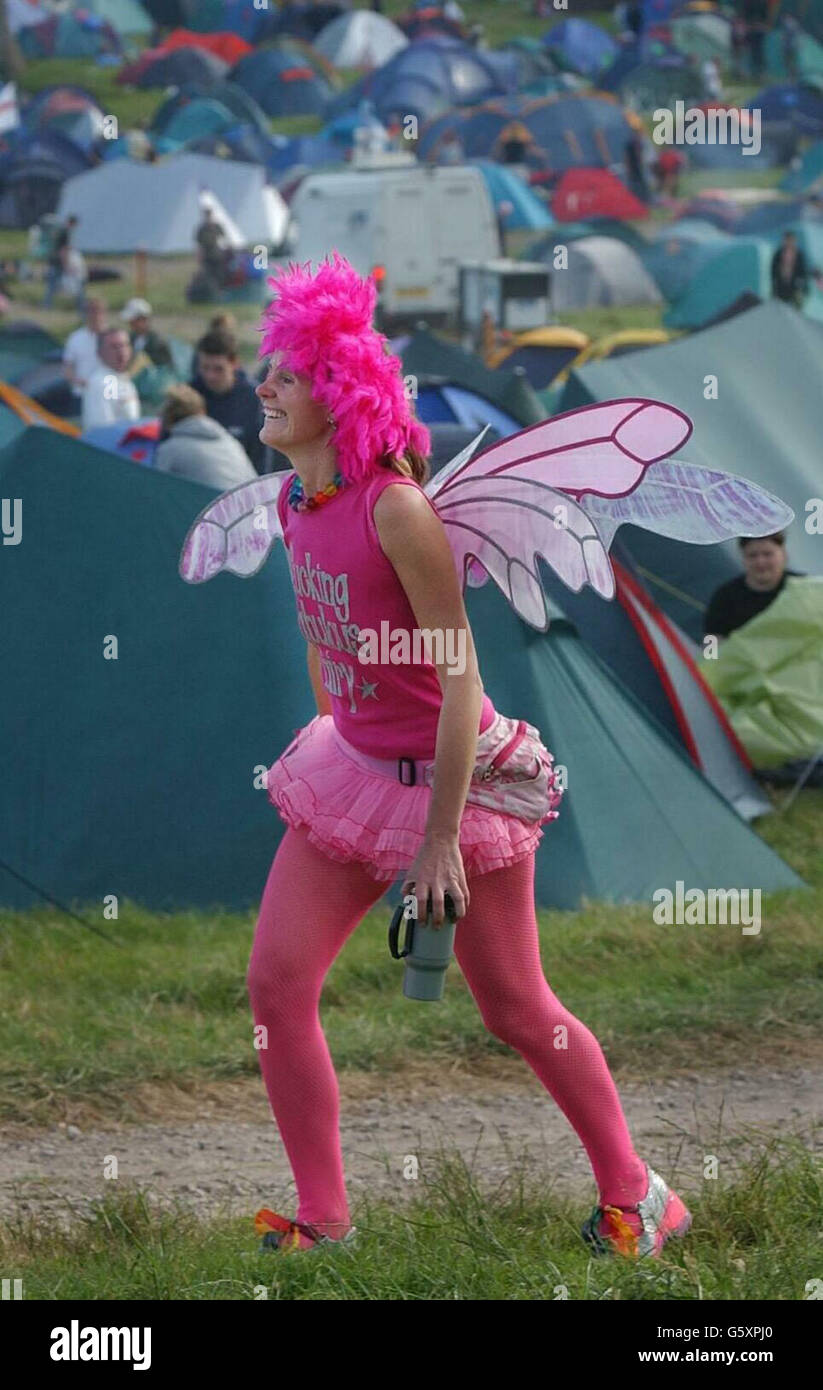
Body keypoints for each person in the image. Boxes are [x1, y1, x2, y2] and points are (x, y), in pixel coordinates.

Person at [238, 255, 692, 1258]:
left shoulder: (395, 510)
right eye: (268, 367)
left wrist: (436, 840)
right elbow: (331, 645)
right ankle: (325, 1220)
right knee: (275, 984)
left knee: (516, 1006)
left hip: (462, 782)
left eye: (288, 373)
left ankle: (640, 1194)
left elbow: (455, 677)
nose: (263, 383)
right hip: (354, 775)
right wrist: (342, 753)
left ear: (339, 394)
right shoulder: (292, 503)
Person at [154, 384, 258, 490]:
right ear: (202, 411)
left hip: (217, 503)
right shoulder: (229, 440)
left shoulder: (170, 449)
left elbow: (158, 490)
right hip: (256, 503)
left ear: (167, 417)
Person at [190, 328, 265, 471]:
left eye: (218, 369)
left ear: (234, 363)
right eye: (205, 368)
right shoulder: (190, 395)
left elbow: (263, 455)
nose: (210, 376)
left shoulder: (255, 399)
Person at [703, 533, 801, 639]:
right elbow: (712, 640)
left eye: (767, 554)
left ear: (784, 555)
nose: (760, 562)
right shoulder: (724, 597)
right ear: (743, 559)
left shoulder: (805, 589)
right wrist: (711, 655)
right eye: (752, 555)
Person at [81, 326, 141, 431]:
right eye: (114, 347)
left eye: (125, 345)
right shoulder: (108, 382)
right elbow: (105, 430)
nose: (121, 351)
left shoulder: (121, 378)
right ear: (100, 353)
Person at [63, 296, 108, 398]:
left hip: (107, 394)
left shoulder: (113, 337)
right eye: (91, 311)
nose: (95, 315)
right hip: (82, 393)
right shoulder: (75, 338)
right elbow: (67, 368)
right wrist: (79, 381)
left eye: (98, 311)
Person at [120, 298, 172, 369]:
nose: (130, 324)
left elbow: (165, 368)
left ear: (144, 319)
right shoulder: (130, 338)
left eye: (133, 320)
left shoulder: (159, 342)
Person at [770, 230, 818, 307]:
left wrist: (803, 287)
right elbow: (773, 273)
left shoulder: (799, 255)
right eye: (787, 240)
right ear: (784, 240)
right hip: (781, 288)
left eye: (791, 240)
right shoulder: (778, 254)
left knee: (797, 308)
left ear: (794, 241)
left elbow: (803, 271)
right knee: (782, 308)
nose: (789, 242)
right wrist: (774, 289)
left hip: (796, 288)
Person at [44, 214, 82, 310]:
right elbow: (64, 250)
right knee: (55, 285)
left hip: (53, 261)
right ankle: (47, 305)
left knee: (51, 285)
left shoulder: (59, 230)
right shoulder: (66, 232)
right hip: (59, 262)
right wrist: (66, 265)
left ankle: (47, 304)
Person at [195, 204, 228, 287]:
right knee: (208, 274)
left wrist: (225, 249)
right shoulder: (201, 229)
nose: (208, 217)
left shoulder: (216, 226)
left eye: (209, 215)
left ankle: (221, 289)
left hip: (216, 253)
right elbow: (199, 244)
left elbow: (224, 237)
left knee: (219, 273)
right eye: (207, 215)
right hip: (207, 254)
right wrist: (199, 256)